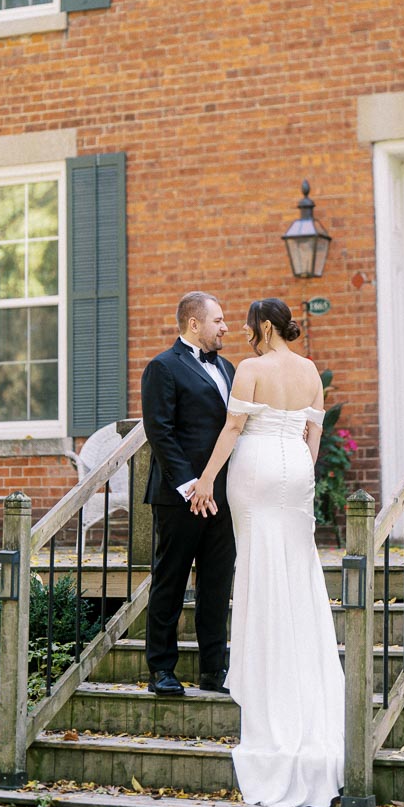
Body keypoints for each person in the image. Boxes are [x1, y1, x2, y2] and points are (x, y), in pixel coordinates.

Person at [190, 297, 344, 807]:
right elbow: (314, 435)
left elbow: (233, 429)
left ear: (268, 325)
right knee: (299, 567)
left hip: (255, 468)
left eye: (253, 325)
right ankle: (300, 659)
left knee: (256, 565)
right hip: (297, 469)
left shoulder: (252, 369)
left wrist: (206, 479)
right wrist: (301, 470)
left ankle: (260, 669)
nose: (247, 333)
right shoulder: (309, 372)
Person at [141, 292, 237, 696]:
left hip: (223, 495)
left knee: (217, 585)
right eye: (218, 320)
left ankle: (214, 670)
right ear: (194, 324)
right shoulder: (162, 367)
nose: (225, 326)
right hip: (180, 497)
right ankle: (161, 670)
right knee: (171, 581)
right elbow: (159, 431)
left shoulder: (229, 367)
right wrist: (190, 485)